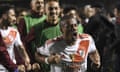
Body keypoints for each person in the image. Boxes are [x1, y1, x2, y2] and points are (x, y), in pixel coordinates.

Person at [35, 15, 101, 72]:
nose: (74, 28)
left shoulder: (87, 39)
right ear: (61, 30)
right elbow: (37, 55)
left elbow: (93, 51)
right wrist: (48, 60)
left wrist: (96, 61)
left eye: (75, 25)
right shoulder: (52, 44)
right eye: (69, 26)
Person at [0, 4, 30, 72]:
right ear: (4, 16)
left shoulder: (14, 31)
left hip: (12, 68)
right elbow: (2, 52)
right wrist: (15, 68)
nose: (15, 19)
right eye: (12, 15)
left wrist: (26, 60)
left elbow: (20, 47)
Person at [18, 0, 46, 71]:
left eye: (42, 3)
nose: (40, 5)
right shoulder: (24, 20)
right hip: (33, 61)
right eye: (37, 3)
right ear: (31, 5)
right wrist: (30, 61)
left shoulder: (48, 19)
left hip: (48, 59)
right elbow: (21, 43)